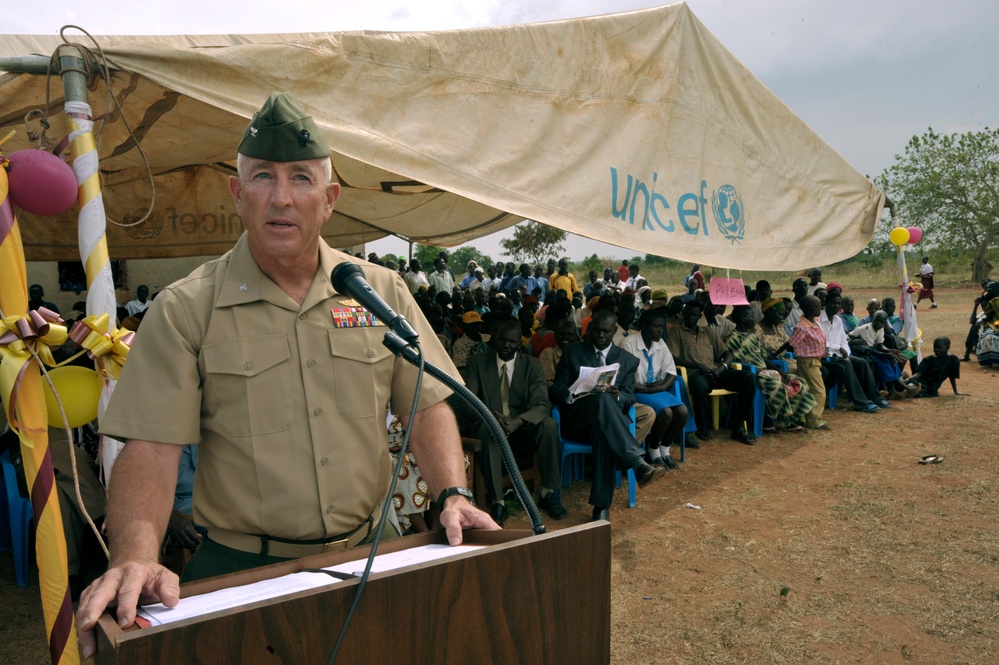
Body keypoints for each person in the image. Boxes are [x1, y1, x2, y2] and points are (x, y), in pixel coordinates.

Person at [75, 92, 496, 658]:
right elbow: (151, 449)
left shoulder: (379, 292)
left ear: (329, 199)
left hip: (373, 550)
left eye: (300, 178)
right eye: (262, 177)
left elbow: (425, 404)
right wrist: (133, 553)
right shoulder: (186, 308)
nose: (281, 197)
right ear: (237, 194)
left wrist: (453, 492)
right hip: (243, 569)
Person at [552, 310, 665, 521]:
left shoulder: (627, 360)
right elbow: (556, 388)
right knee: (602, 401)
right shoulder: (572, 353)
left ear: (614, 331)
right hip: (577, 420)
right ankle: (636, 461)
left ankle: (600, 509)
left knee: (604, 423)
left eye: (606, 331)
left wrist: (619, 396)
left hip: (604, 425)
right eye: (596, 330)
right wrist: (573, 392)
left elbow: (630, 397)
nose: (601, 335)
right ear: (589, 329)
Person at [464, 320, 567, 524]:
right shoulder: (478, 362)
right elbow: (467, 401)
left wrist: (518, 421)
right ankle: (498, 502)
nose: (506, 345)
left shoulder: (532, 365)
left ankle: (547, 493)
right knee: (488, 428)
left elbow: (541, 404)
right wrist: (492, 418)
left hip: (522, 430)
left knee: (548, 425)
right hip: (491, 426)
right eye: (501, 339)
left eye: (511, 341)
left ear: (519, 343)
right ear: (494, 338)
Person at [667, 300, 759, 444]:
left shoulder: (708, 331)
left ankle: (739, 427)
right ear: (683, 314)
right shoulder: (676, 330)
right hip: (694, 373)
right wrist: (698, 365)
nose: (691, 317)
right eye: (688, 313)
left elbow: (728, 353)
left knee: (749, 377)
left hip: (715, 371)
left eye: (694, 315)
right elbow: (673, 357)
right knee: (699, 385)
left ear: (699, 316)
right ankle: (701, 426)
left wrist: (721, 368)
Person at [727, 306, 816, 433]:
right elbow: (738, 361)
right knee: (777, 386)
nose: (754, 318)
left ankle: (792, 418)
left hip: (765, 370)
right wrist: (760, 371)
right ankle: (779, 421)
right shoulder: (732, 339)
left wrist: (779, 371)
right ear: (743, 318)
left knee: (798, 381)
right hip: (753, 373)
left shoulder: (753, 336)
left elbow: (763, 357)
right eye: (751, 316)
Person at [620, 309, 688, 469]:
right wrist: (646, 389)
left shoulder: (660, 343)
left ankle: (665, 448)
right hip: (636, 390)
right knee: (666, 413)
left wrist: (662, 386)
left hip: (655, 390)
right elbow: (623, 379)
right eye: (656, 327)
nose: (660, 331)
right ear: (644, 326)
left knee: (682, 412)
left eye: (662, 327)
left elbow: (671, 371)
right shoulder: (628, 344)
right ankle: (653, 450)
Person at [778, 295, 827, 430]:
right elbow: (791, 343)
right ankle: (814, 421)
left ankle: (799, 416)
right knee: (819, 391)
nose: (821, 308)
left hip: (816, 361)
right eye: (818, 307)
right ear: (812, 310)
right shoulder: (802, 327)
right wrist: (775, 354)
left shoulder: (816, 321)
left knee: (804, 389)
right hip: (808, 362)